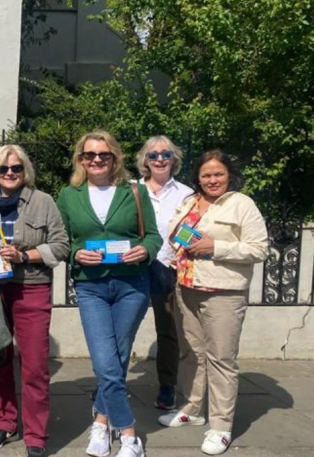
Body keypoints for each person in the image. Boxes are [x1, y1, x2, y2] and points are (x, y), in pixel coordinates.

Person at [56, 130, 162, 457]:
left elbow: (155, 236)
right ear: (81, 159)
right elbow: (62, 240)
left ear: (114, 158)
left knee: (116, 357)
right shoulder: (68, 195)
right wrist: (75, 253)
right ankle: (129, 432)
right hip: (91, 286)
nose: (97, 160)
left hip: (132, 285)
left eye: (104, 154)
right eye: (90, 155)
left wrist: (144, 250)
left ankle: (101, 422)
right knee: (106, 361)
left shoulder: (134, 192)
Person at [157, 150, 269, 456]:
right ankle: (192, 408)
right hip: (187, 286)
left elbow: (259, 249)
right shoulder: (189, 201)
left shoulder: (241, 204)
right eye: (206, 175)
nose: (212, 180)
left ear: (229, 175)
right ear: (198, 178)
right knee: (191, 352)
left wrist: (215, 246)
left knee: (221, 359)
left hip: (223, 292)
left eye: (218, 174)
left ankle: (220, 426)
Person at [0, 145, 69, 456]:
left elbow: (61, 245)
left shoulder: (42, 201)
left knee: (34, 365)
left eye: (16, 168)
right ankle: (5, 422)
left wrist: (24, 255)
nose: (10, 174)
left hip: (30, 287)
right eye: (3, 169)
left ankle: (35, 436)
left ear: (25, 171)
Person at [135, 136, 194, 411]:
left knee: (168, 329)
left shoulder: (186, 194)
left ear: (174, 159)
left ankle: (167, 386)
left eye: (165, 154)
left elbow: (191, 229)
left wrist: (176, 257)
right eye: (153, 155)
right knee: (121, 329)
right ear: (145, 161)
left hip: (167, 267)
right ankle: (108, 385)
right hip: (133, 265)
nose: (159, 159)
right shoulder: (131, 190)